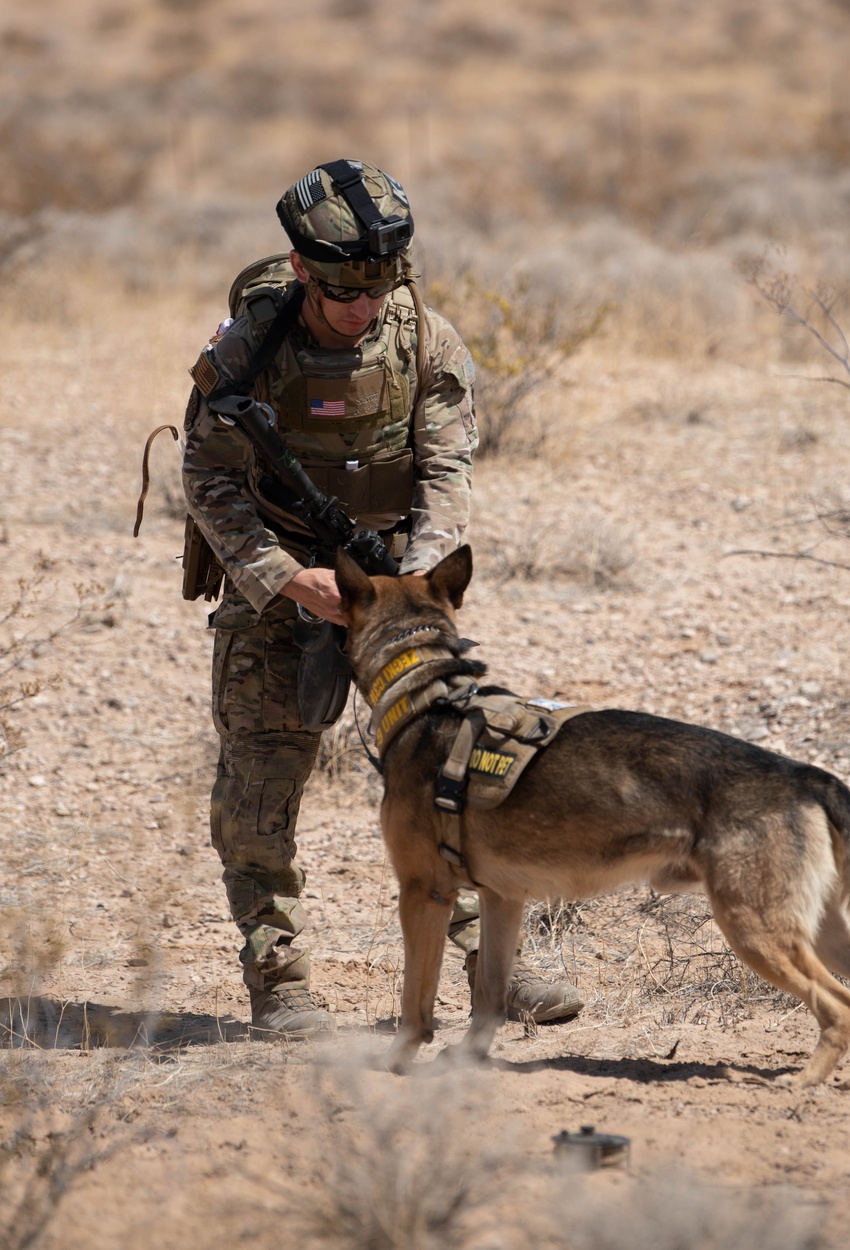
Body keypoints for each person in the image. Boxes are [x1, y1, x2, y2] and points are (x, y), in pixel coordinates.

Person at [181, 159, 584, 1037]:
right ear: (300, 271)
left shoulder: (423, 341)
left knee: (455, 778)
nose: (361, 309)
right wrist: (287, 577)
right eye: (340, 294)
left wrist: (416, 582)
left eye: (378, 288)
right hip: (279, 586)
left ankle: (494, 971)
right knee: (259, 788)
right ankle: (279, 982)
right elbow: (205, 479)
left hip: (394, 588)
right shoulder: (247, 350)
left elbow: (447, 470)